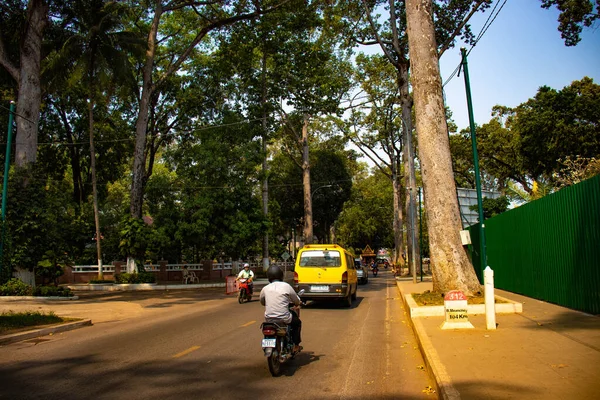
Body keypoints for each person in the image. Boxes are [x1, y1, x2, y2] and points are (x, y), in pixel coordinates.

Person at [260, 266, 303, 353]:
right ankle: (296, 345)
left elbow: (262, 301)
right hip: (284, 318)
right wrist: (298, 303)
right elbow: (296, 300)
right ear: (281, 275)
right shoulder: (286, 286)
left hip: (269, 319)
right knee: (297, 323)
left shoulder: (265, 288)